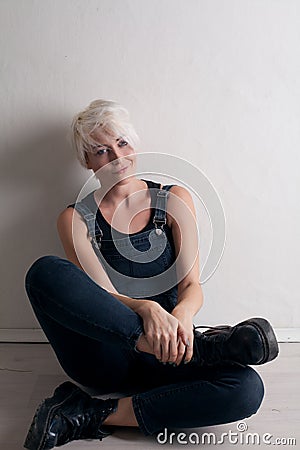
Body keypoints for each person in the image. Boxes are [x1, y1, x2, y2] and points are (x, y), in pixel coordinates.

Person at [24, 99, 279, 450]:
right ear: (87, 161)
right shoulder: (76, 219)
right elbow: (98, 298)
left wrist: (181, 319)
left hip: (173, 349)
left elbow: (192, 286)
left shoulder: (173, 199)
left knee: (248, 389)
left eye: (122, 143)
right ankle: (203, 348)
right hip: (106, 358)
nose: (117, 157)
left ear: (135, 145)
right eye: (101, 151)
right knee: (44, 273)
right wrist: (146, 309)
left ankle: (90, 413)